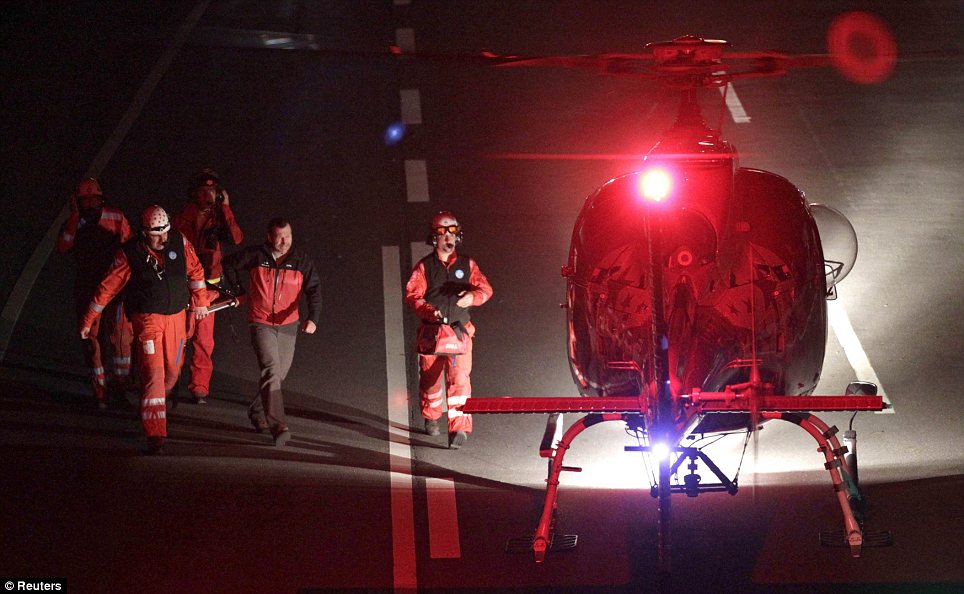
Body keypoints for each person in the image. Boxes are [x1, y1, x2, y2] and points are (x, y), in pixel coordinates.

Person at [79, 205, 211, 454]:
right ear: (144, 232)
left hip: (176, 318)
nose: (163, 238)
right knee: (153, 374)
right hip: (147, 319)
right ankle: (155, 433)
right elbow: (106, 288)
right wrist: (88, 320)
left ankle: (158, 401)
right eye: (156, 233)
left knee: (172, 370)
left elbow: (196, 272)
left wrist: (201, 302)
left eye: (165, 232)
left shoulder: (179, 243)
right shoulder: (129, 253)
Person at [222, 218, 321, 447]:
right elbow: (229, 265)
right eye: (280, 237)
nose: (285, 242)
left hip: (289, 325)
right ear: (269, 237)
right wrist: (237, 291)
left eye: (289, 236)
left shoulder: (301, 260)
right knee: (271, 370)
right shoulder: (256, 255)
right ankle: (278, 426)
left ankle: (257, 410)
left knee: (279, 374)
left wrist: (313, 319)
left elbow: (314, 290)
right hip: (261, 322)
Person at [405, 211, 492, 449]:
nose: (447, 239)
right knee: (430, 381)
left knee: (460, 381)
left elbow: (486, 289)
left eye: (452, 233)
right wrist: (428, 311)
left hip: (460, 333)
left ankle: (459, 429)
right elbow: (412, 295)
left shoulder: (468, 264)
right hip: (432, 336)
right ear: (434, 238)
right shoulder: (425, 267)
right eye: (442, 234)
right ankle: (431, 417)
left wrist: (473, 297)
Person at [57, 178, 134, 410]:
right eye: (85, 199)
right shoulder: (74, 222)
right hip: (87, 289)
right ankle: (100, 392)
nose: (90, 203)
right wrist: (73, 218)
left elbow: (130, 248)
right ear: (78, 201)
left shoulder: (116, 216)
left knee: (121, 341)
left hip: (116, 289)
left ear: (101, 198)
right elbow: (63, 246)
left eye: (94, 198)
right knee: (91, 342)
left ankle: (120, 389)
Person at [173, 169, 244, 404]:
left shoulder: (220, 215)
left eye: (212, 191)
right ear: (194, 193)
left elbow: (236, 238)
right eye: (203, 191)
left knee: (205, 341)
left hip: (211, 290)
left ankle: (199, 388)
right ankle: (171, 381)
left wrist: (226, 208)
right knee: (181, 337)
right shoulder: (184, 216)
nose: (208, 196)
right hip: (187, 289)